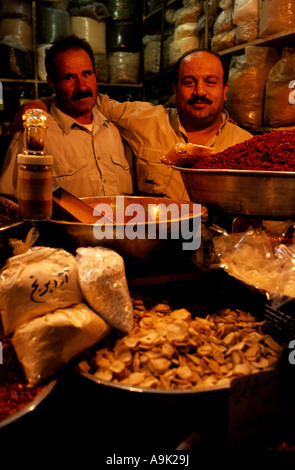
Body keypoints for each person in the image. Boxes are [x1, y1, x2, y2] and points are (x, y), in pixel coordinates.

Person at [9, 47, 252, 201]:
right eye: (189, 82)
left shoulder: (246, 146)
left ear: (225, 90)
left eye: (210, 82)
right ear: (176, 90)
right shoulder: (142, 120)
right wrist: (42, 102)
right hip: (151, 251)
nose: (200, 92)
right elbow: (90, 99)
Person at [0, 35, 134, 199]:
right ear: (52, 84)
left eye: (86, 74)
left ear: (96, 74)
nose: (82, 86)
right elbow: (10, 204)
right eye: (69, 77)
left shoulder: (117, 129)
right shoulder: (34, 135)